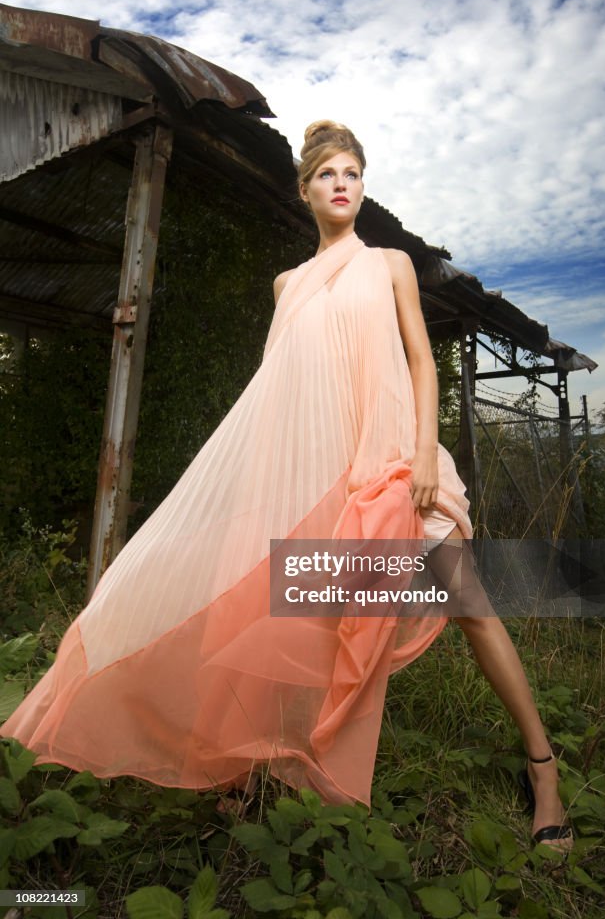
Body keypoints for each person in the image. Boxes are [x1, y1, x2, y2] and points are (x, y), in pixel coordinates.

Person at [0, 120, 572, 853]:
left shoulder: (391, 263)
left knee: (472, 610)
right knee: (283, 623)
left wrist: (425, 461)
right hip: (321, 480)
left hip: (397, 467)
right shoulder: (288, 285)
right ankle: (253, 765)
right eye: (328, 174)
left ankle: (544, 767)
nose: (343, 184)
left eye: (354, 173)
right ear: (306, 192)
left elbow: (422, 364)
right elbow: (284, 395)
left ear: (362, 188)